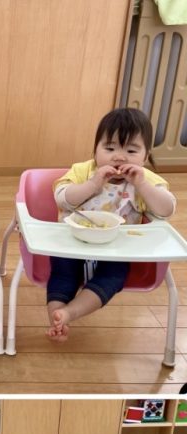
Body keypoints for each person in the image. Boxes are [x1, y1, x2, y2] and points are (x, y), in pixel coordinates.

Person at [47, 108, 176, 341]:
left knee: (113, 277)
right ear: (95, 150)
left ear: (145, 156)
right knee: (63, 273)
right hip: (72, 242)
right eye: (110, 148)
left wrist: (142, 185)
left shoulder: (146, 180)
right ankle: (55, 318)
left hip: (117, 249)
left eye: (131, 151)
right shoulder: (83, 171)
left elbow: (166, 209)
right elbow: (62, 198)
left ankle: (69, 312)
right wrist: (92, 184)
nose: (119, 157)